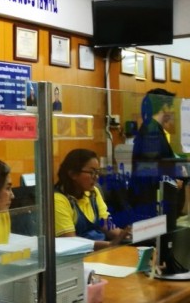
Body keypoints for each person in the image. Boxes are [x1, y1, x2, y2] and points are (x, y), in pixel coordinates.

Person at [129, 88, 187, 273]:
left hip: (154, 201)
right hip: (150, 203)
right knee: (155, 254)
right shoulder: (151, 130)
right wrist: (172, 180)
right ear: (164, 107)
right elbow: (148, 168)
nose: (173, 112)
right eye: (171, 107)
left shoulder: (154, 129)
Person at [55, 148, 130, 251]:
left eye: (97, 172)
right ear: (73, 174)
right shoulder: (58, 200)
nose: (96, 177)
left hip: (102, 251)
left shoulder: (92, 192)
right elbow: (71, 243)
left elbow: (106, 225)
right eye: (91, 172)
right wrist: (110, 245)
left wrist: (126, 235)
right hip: (79, 256)